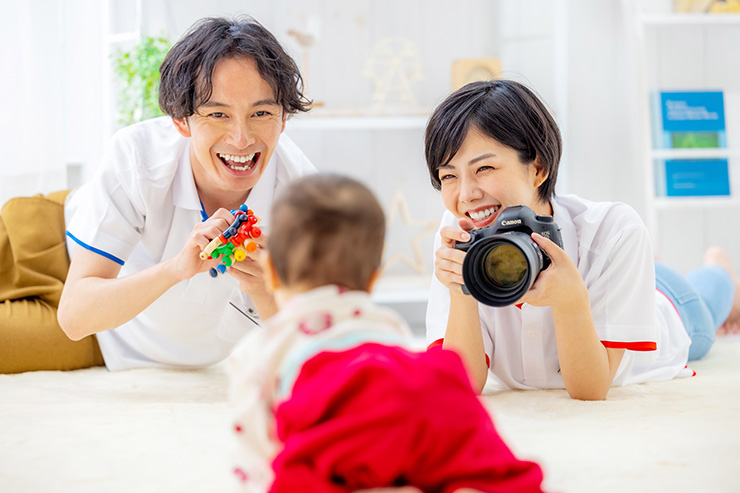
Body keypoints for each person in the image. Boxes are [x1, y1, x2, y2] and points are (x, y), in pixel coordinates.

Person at [0, 16, 316, 374]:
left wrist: (264, 289)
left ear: (284, 118)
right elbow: (77, 308)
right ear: (181, 120)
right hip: (50, 245)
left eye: (261, 112)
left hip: (104, 332)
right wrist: (177, 268)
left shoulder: (305, 203)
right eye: (217, 114)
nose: (241, 139)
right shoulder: (138, 157)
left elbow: (310, 352)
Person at [424, 79, 740, 400]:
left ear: (538, 167)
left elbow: (590, 390)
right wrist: (462, 289)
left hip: (672, 307)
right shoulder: (458, 233)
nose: (466, 194)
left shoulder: (615, 228)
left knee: (709, 300)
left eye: (485, 167)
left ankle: (719, 266)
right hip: (619, 270)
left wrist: (570, 300)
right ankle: (650, 265)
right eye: (448, 175)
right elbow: (462, 384)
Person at [228, 174, 545, 493]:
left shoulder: (261, 348)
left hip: (331, 418)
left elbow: (253, 439)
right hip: (409, 399)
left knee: (299, 472)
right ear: (372, 279)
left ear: (271, 274)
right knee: (457, 437)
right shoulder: (383, 321)